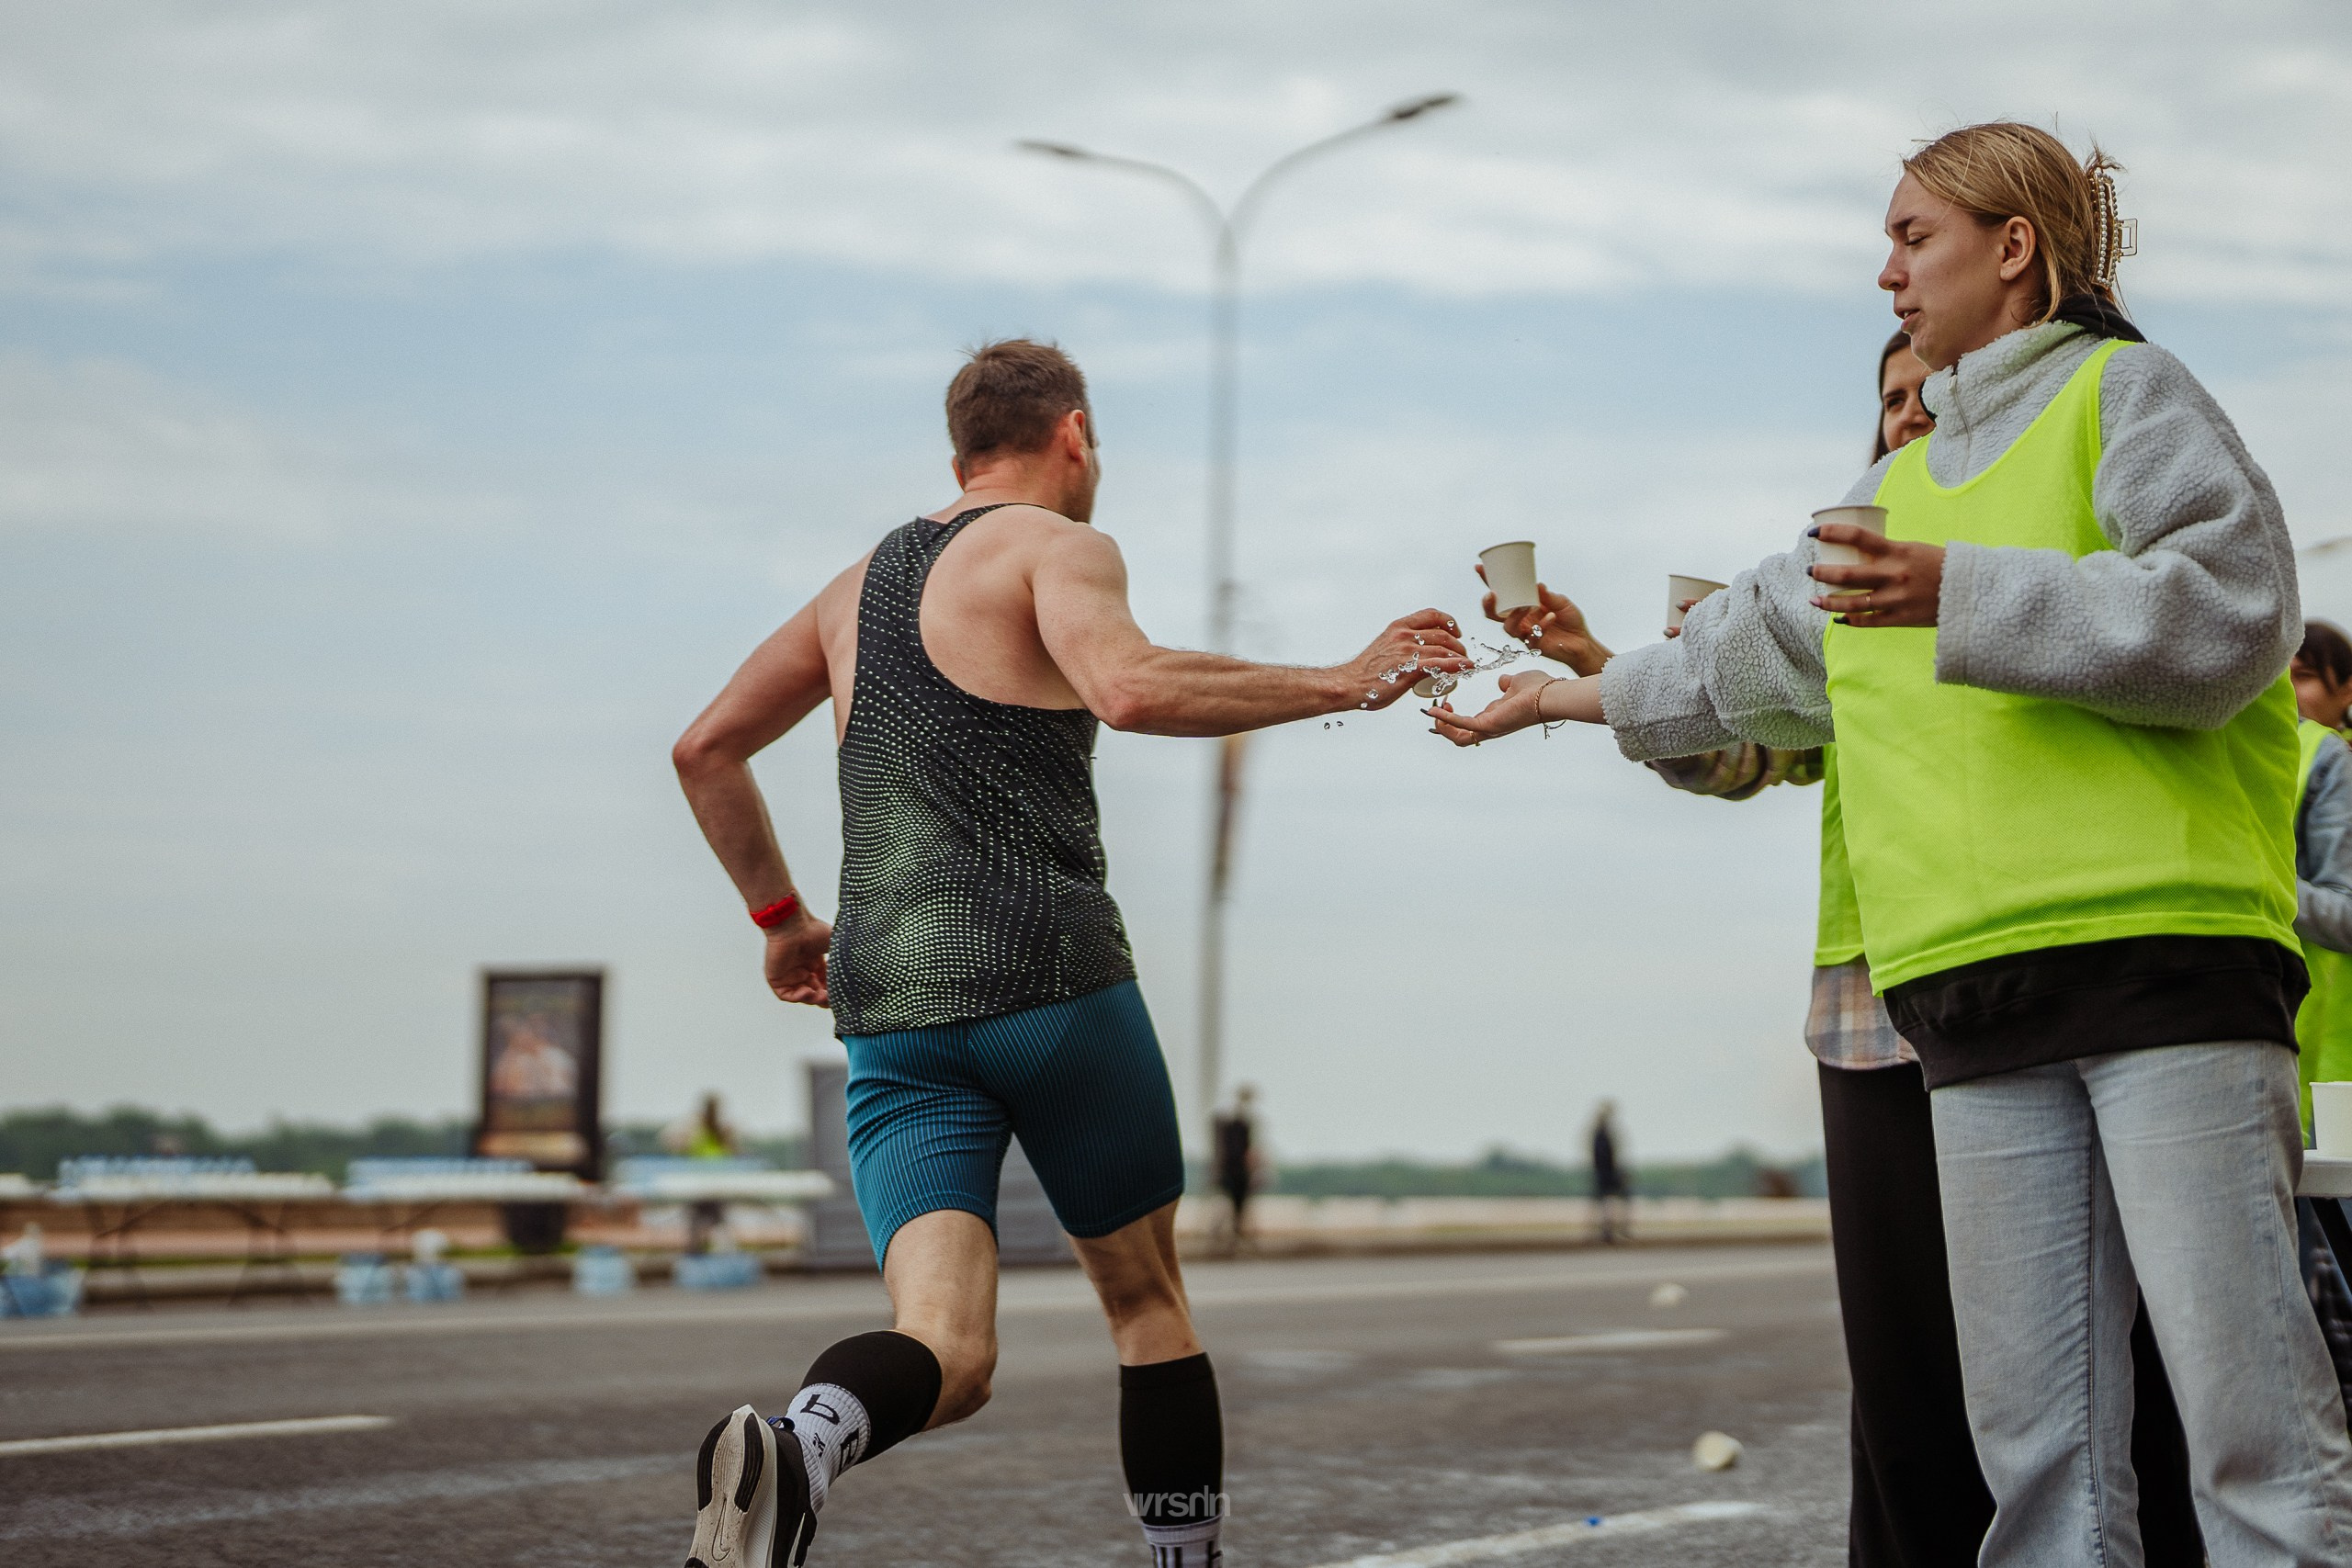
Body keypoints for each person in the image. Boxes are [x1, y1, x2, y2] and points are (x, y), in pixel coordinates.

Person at [1435, 123, 2352, 1560]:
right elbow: (1722, 673)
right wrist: (1555, 696)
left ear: (2015, 247)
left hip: (2165, 976)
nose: (1885, 273)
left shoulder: (2134, 395)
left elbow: (2232, 623)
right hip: (1968, 1008)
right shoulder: (1885, 506)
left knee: (2254, 1443)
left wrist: (1961, 594)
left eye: (1912, 236)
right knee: (2039, 1460)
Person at [670, 338, 1468, 1568]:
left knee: (948, 1344)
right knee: (1145, 1302)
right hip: (1049, 974)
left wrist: (784, 924)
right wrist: (1344, 677)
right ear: (1075, 435)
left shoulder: (852, 588)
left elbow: (705, 747)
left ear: (957, 453)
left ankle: (804, 1442)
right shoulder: (1056, 543)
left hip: (889, 1000)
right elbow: (1131, 686)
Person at [1495, 332, 2202, 1565]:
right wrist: (1605, 672)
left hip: (2059, 983)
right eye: (1890, 405)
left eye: (1930, 395)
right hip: (1875, 1005)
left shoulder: (2049, 562)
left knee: (2103, 1368)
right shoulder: (1847, 593)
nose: (1909, 419)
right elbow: (1744, 750)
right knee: (1911, 1377)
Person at [662, 1094, 740, 1256]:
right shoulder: (698, 1131)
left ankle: (707, 1253)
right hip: (702, 1185)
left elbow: (733, 1150)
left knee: (711, 1223)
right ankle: (699, 1253)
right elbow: (674, 1143)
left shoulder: (720, 1131)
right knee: (705, 1222)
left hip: (715, 1185)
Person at [1211, 1086, 1261, 1256]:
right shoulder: (1232, 1123)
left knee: (1236, 1208)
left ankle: (1232, 1240)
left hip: (1236, 1171)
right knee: (1231, 1207)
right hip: (1231, 1171)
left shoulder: (1241, 1124)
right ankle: (1227, 1239)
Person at [1588, 1100, 1629, 1244]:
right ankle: (1609, 1231)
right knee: (1608, 1202)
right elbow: (1605, 1157)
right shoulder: (1602, 1134)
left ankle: (1607, 1231)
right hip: (1605, 1173)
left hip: (1603, 1173)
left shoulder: (1600, 1133)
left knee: (1604, 1203)